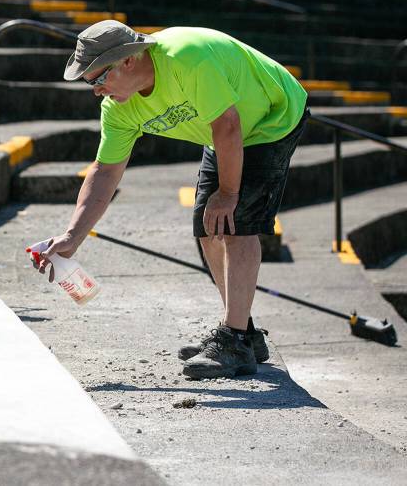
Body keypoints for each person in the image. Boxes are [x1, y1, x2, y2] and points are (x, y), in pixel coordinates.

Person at [30, 21, 308, 380]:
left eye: (98, 78)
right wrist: (72, 237)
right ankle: (242, 333)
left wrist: (228, 194)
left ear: (127, 61)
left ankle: (234, 341)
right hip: (222, 128)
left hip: (273, 116)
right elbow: (104, 172)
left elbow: (229, 125)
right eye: (89, 82)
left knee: (236, 222)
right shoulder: (119, 108)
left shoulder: (185, 58)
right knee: (208, 228)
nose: (96, 90)